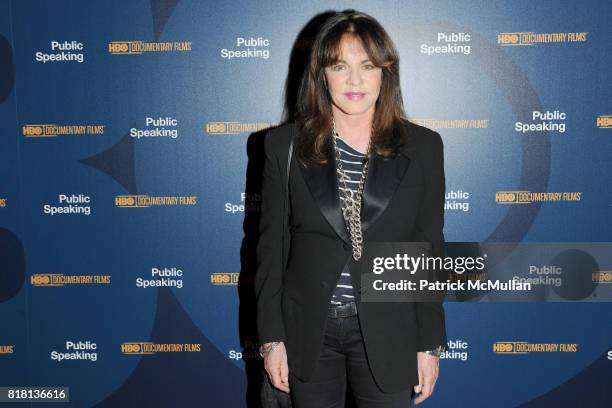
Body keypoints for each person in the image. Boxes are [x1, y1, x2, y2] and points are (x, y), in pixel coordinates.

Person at [255, 9, 448, 408]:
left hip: (389, 328)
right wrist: (271, 338)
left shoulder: (424, 147)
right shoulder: (283, 146)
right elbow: (270, 248)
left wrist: (429, 342)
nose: (355, 80)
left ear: (385, 73)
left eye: (368, 66)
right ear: (321, 74)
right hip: (308, 329)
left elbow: (427, 248)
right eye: (340, 66)